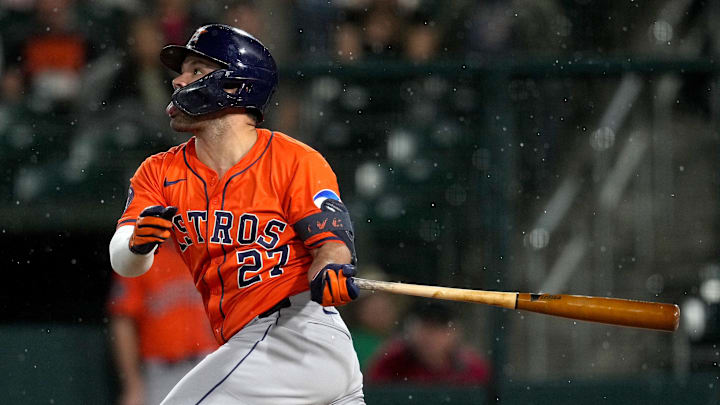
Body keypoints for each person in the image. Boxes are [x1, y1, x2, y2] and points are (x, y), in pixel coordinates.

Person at [108, 23, 365, 404]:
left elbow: (330, 245)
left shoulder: (295, 160)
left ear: (235, 85)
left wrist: (330, 270)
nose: (179, 81)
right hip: (275, 353)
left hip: (292, 333)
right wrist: (138, 245)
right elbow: (124, 259)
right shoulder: (159, 171)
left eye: (196, 70)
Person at [107, 238, 217, 405]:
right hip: (161, 372)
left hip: (211, 366)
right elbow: (123, 322)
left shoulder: (214, 251)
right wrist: (133, 384)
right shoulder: (140, 255)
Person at [365, 301, 491, 386]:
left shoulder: (473, 368)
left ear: (455, 332)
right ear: (410, 329)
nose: (432, 336)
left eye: (440, 328)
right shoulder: (391, 363)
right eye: (426, 327)